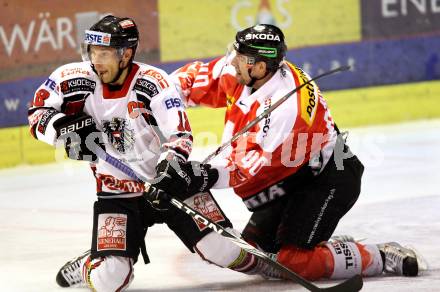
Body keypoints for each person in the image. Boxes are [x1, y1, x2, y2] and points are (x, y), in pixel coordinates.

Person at [28, 16, 283, 292]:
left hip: (170, 187)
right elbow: (38, 112)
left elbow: (180, 135)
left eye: (104, 53)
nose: (96, 61)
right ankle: (93, 262)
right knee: (110, 281)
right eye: (92, 52)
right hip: (118, 193)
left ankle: (267, 266)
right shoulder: (73, 78)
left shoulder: (153, 82)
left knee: (221, 249)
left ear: (126, 54)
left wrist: (169, 168)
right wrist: (61, 128)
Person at [153, 24, 423, 281]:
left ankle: (380, 256)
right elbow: (184, 84)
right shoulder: (246, 71)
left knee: (292, 261)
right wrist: (151, 102)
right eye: (235, 53)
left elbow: (243, 169)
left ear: (260, 66)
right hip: (286, 180)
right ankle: (327, 247)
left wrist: (202, 176)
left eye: (240, 57)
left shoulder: (283, 109)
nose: (232, 61)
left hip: (326, 179)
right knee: (252, 252)